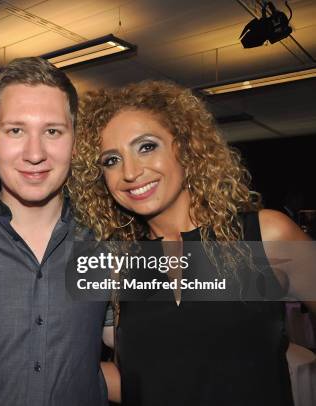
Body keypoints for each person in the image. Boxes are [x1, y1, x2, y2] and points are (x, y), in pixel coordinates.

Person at [68, 80, 313, 405]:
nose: (130, 171)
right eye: (111, 160)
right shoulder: (122, 267)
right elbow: (140, 380)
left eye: (146, 147)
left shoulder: (265, 235)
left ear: (184, 147)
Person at [0, 57, 117, 405]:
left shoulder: (107, 240)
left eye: (52, 131)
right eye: (16, 130)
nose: (35, 153)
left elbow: (143, 345)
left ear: (75, 143)